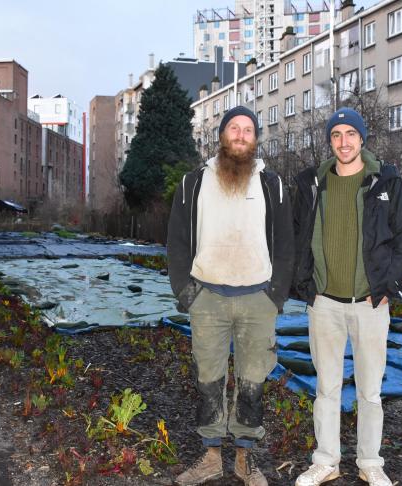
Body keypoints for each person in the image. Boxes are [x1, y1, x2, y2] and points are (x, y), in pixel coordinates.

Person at [167, 106, 294, 486]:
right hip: (209, 298)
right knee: (208, 378)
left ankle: (243, 458)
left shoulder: (271, 184)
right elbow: (176, 242)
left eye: (248, 130)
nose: (241, 135)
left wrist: (277, 294)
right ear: (221, 136)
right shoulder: (194, 183)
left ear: (256, 139)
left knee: (253, 380)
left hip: (259, 299)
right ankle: (209, 457)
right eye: (234, 128)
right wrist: (186, 292)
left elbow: (286, 243)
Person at [291, 107, 402, 486]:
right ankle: (326, 461)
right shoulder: (313, 184)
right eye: (336, 135)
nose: (344, 141)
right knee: (326, 388)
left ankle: (370, 463)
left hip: (369, 304)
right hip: (325, 303)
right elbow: (297, 235)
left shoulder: (386, 182)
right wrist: (306, 287)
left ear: (362, 139)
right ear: (330, 141)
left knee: (370, 391)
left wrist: (387, 285)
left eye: (351, 134)